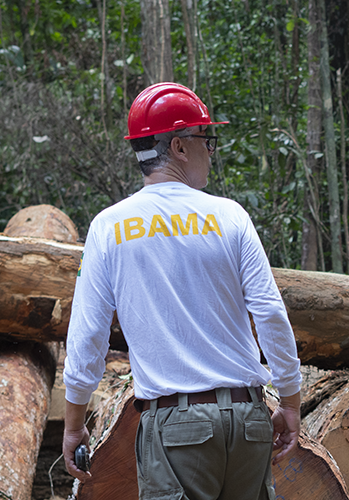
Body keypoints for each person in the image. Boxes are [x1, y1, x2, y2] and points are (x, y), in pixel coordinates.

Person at [62, 82, 303, 499]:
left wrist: (72, 423)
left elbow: (87, 337)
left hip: (176, 429)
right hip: (247, 421)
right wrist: (291, 401)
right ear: (177, 146)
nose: (211, 149)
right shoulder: (230, 217)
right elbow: (269, 313)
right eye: (205, 138)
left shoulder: (109, 227)